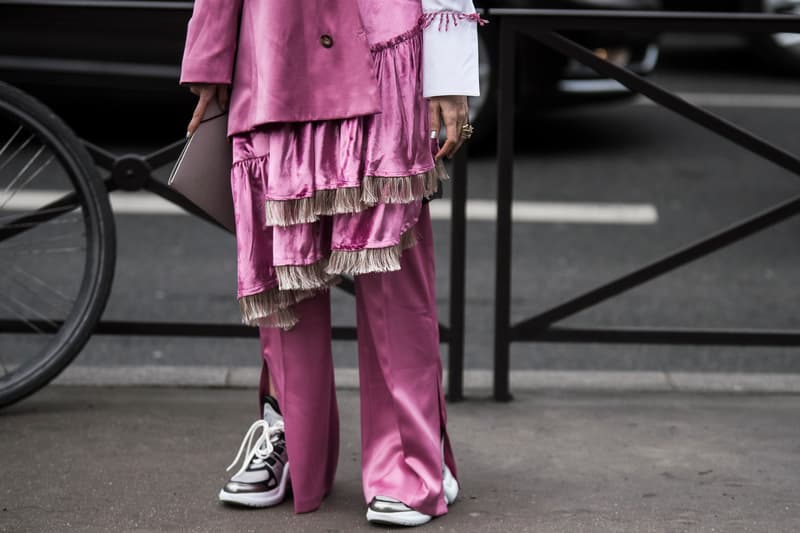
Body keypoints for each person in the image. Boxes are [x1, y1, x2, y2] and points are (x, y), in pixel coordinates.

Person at [179, 0, 483, 526]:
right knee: (283, 268)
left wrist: (450, 66)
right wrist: (210, 51)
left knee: (391, 271)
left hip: (383, 45)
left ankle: (412, 455)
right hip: (274, 49)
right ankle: (291, 437)